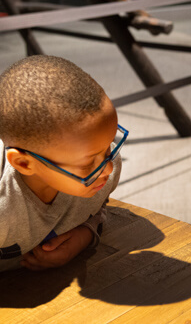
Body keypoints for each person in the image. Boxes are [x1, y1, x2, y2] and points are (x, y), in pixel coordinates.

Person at [0, 55, 127, 272]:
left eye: (108, 147)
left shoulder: (104, 172)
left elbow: (97, 207)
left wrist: (85, 234)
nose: (109, 169)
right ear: (24, 163)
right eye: (87, 164)